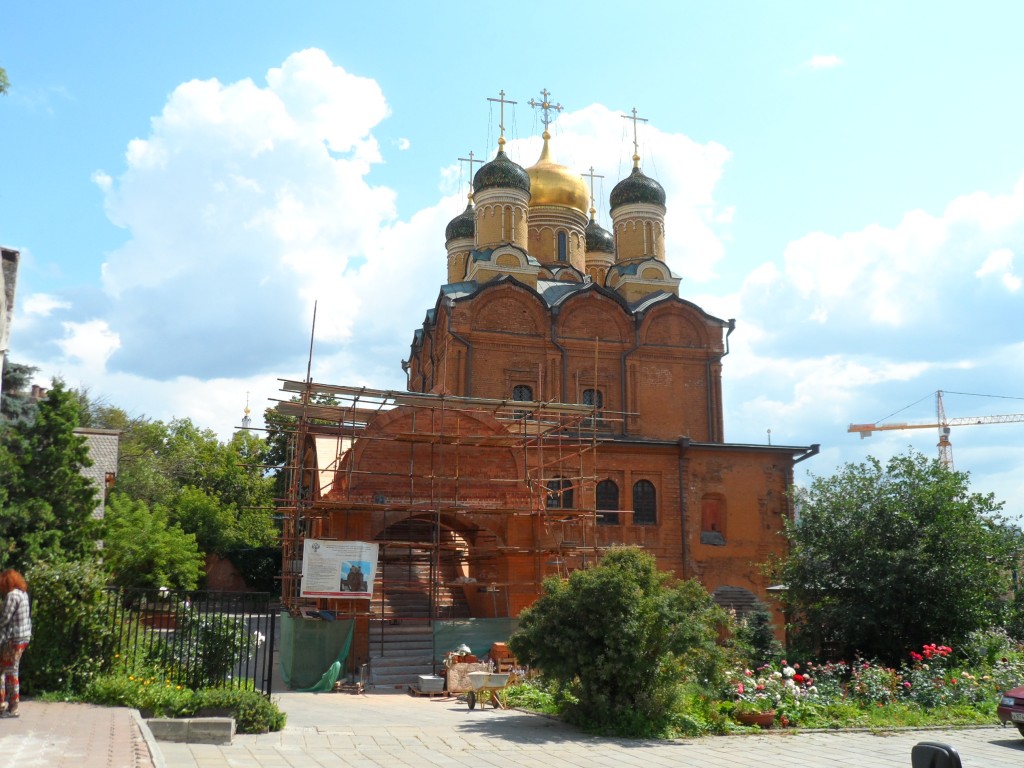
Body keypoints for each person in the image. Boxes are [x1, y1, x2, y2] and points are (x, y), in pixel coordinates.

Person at [0, 569, 32, 718]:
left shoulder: (12, 596)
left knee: (11, 672)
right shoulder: (23, 594)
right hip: (23, 637)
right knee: (7, 669)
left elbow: (4, 619)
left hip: (13, 640)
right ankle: (6, 705)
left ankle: (12, 708)